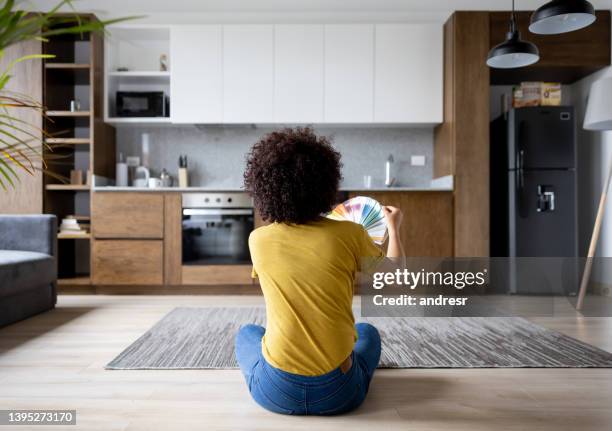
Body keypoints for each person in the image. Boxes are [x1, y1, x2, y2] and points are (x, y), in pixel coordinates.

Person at [235, 127, 405, 415]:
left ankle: (261, 376)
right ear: (326, 183)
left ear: (264, 187)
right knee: (367, 333)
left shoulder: (258, 239)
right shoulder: (349, 234)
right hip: (338, 394)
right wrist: (394, 228)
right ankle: (356, 377)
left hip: (276, 393)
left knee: (248, 333)